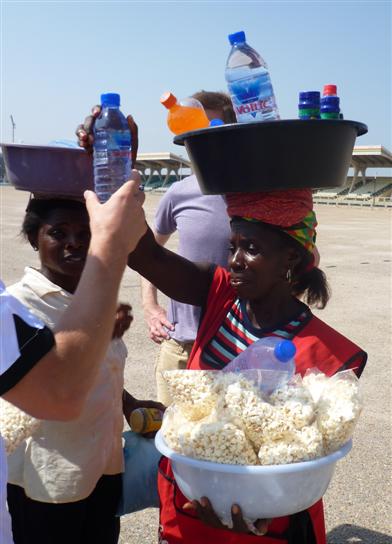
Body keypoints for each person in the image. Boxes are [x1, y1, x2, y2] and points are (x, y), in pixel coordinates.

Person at [126, 177, 367, 544]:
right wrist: (118, 173)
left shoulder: (327, 355)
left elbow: (307, 460)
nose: (234, 261)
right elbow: (145, 255)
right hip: (188, 512)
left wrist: (261, 507)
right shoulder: (218, 293)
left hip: (267, 526)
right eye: (233, 246)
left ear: (290, 257)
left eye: (251, 248)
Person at [5, 197, 162, 544]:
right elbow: (46, 387)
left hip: (103, 466)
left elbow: (100, 371)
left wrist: (129, 404)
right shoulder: (19, 307)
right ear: (34, 239)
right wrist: (93, 333)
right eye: (58, 233)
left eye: (85, 232)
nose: (74, 242)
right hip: (48, 478)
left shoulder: (97, 301)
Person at [77, 91, 236, 405]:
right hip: (181, 348)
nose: (205, 139)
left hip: (238, 347)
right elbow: (149, 251)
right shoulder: (179, 193)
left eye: (214, 126)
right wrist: (150, 307)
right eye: (196, 131)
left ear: (233, 132)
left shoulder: (257, 194)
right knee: (170, 443)